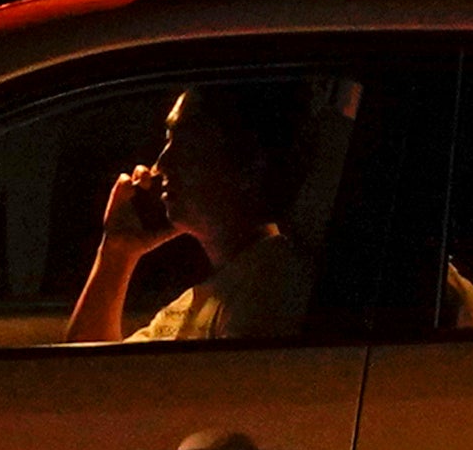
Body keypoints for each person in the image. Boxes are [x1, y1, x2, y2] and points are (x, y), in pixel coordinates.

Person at [65, 83, 317, 344]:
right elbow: (84, 374)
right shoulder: (212, 292)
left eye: (188, 144)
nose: (161, 165)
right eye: (168, 139)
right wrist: (117, 251)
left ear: (247, 165)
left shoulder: (273, 285)